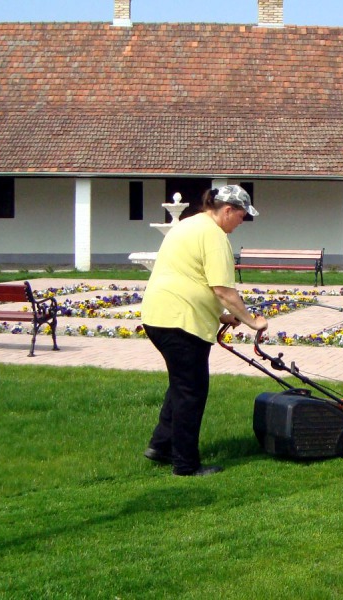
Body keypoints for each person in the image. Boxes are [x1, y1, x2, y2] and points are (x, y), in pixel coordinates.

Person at [140, 185, 268, 477]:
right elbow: (223, 289)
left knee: (181, 385)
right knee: (191, 392)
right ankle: (185, 464)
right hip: (181, 321)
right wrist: (252, 321)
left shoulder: (189, 225)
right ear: (227, 210)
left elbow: (191, 277)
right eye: (242, 216)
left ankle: (161, 445)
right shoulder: (214, 236)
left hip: (160, 315)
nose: (241, 223)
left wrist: (222, 316)